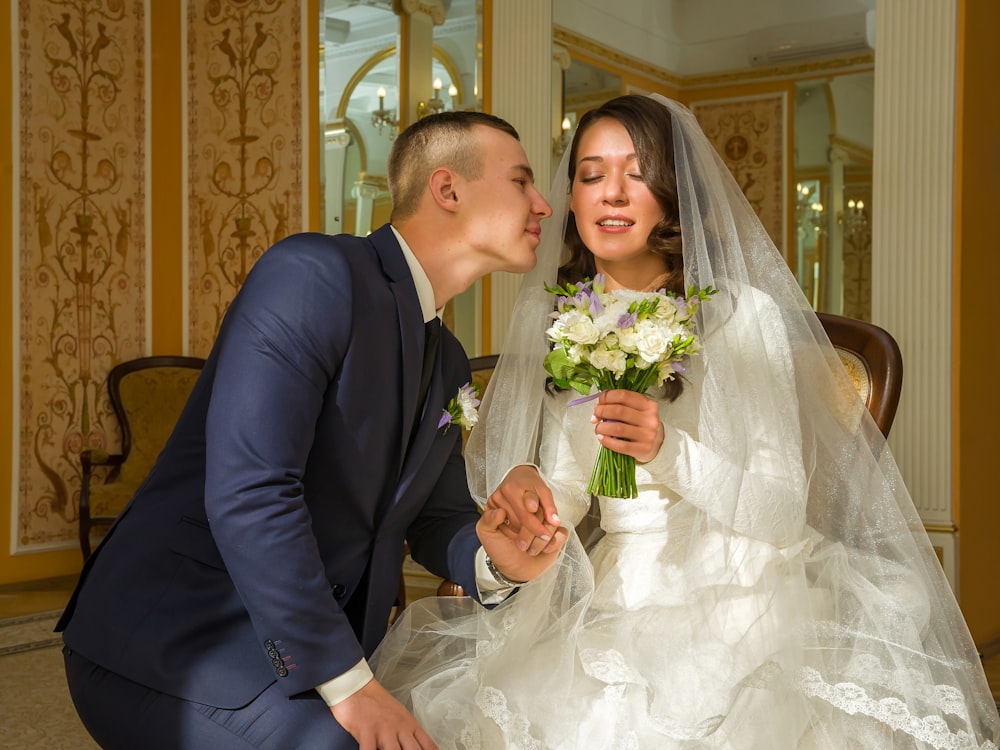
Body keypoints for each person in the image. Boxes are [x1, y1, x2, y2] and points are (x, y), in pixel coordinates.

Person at [371, 95, 1000, 748]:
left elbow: (782, 510)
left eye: (635, 172)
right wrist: (532, 498)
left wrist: (667, 450)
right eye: (590, 174)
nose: (611, 193)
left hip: (743, 598)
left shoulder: (740, 317)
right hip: (619, 590)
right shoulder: (563, 319)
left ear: (673, 193)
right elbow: (567, 485)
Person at [56, 110, 565, 750]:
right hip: (177, 639)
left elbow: (435, 519)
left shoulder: (450, 359)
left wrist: (495, 561)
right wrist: (351, 688)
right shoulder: (313, 274)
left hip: (312, 654)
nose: (545, 204)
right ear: (448, 189)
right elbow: (251, 490)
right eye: (522, 181)